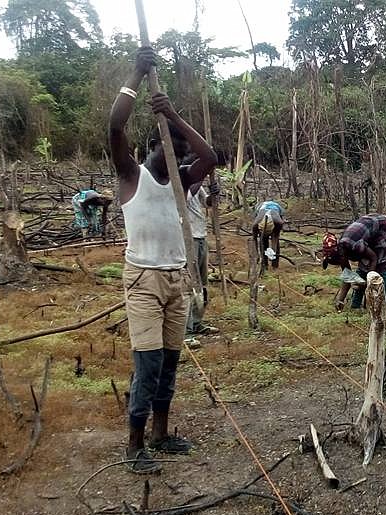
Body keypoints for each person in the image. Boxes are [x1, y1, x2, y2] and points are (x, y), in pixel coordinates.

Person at [109, 46, 219, 473]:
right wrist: (136, 76)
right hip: (143, 280)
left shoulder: (184, 184)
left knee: (170, 360)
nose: (176, 159)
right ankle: (134, 444)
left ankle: (161, 433)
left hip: (176, 279)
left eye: (180, 154)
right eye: (169, 150)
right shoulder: (130, 176)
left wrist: (173, 115)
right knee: (149, 361)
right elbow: (116, 125)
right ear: (152, 146)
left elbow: (209, 157)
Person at [321, 214, 386, 311]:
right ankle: (356, 307)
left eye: (337, 262)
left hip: (385, 227)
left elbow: (373, 258)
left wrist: (368, 283)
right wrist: (340, 300)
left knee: (381, 265)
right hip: (369, 230)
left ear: (340, 255)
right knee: (362, 268)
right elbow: (347, 276)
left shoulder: (353, 245)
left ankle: (380, 306)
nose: (339, 264)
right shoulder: (342, 250)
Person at [185, 178, 211, 335]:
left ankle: (196, 322)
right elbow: (187, 197)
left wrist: (213, 195)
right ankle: (186, 329)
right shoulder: (180, 181)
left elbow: (207, 203)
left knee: (201, 283)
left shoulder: (197, 185)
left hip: (201, 235)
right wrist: (200, 176)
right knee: (190, 282)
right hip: (188, 237)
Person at [252, 200, 284, 270]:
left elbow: (275, 238)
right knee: (263, 243)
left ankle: (274, 265)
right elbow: (254, 239)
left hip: (275, 222)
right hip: (263, 226)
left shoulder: (278, 222)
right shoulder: (255, 224)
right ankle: (264, 265)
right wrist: (257, 254)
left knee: (275, 242)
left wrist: (273, 252)